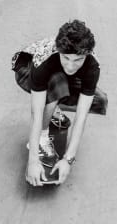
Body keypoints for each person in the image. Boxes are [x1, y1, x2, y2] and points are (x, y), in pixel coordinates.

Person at [13, 19, 107, 187]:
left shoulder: (93, 66)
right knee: (59, 83)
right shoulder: (44, 61)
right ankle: (43, 137)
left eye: (78, 60)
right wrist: (33, 161)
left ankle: (53, 106)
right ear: (59, 51)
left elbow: (81, 117)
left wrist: (68, 159)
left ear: (87, 55)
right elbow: (36, 114)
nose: (71, 65)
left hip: (58, 75)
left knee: (99, 100)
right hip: (26, 69)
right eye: (66, 58)